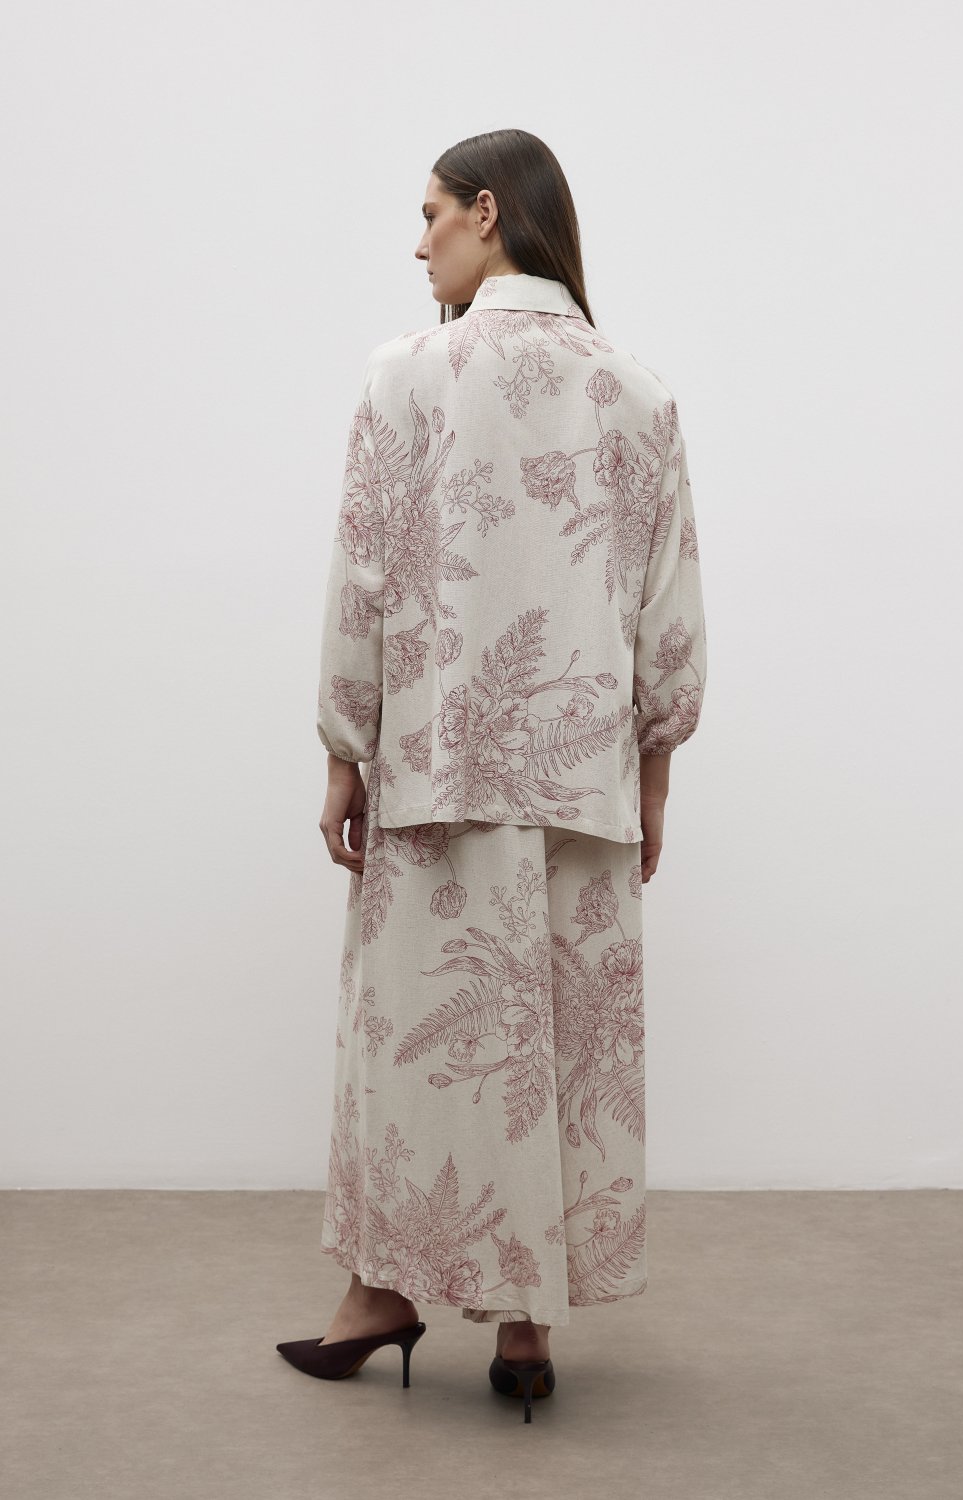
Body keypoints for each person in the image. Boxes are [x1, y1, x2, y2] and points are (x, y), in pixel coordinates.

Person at [276, 128, 708, 1419]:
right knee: (553, 1054)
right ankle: (525, 1331)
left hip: (439, 772)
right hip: (579, 784)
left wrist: (345, 748)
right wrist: (654, 776)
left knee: (421, 1052)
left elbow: (364, 576)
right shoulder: (636, 392)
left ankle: (383, 1292)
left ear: (484, 210)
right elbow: (666, 609)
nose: (418, 245)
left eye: (429, 216)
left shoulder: (408, 377)